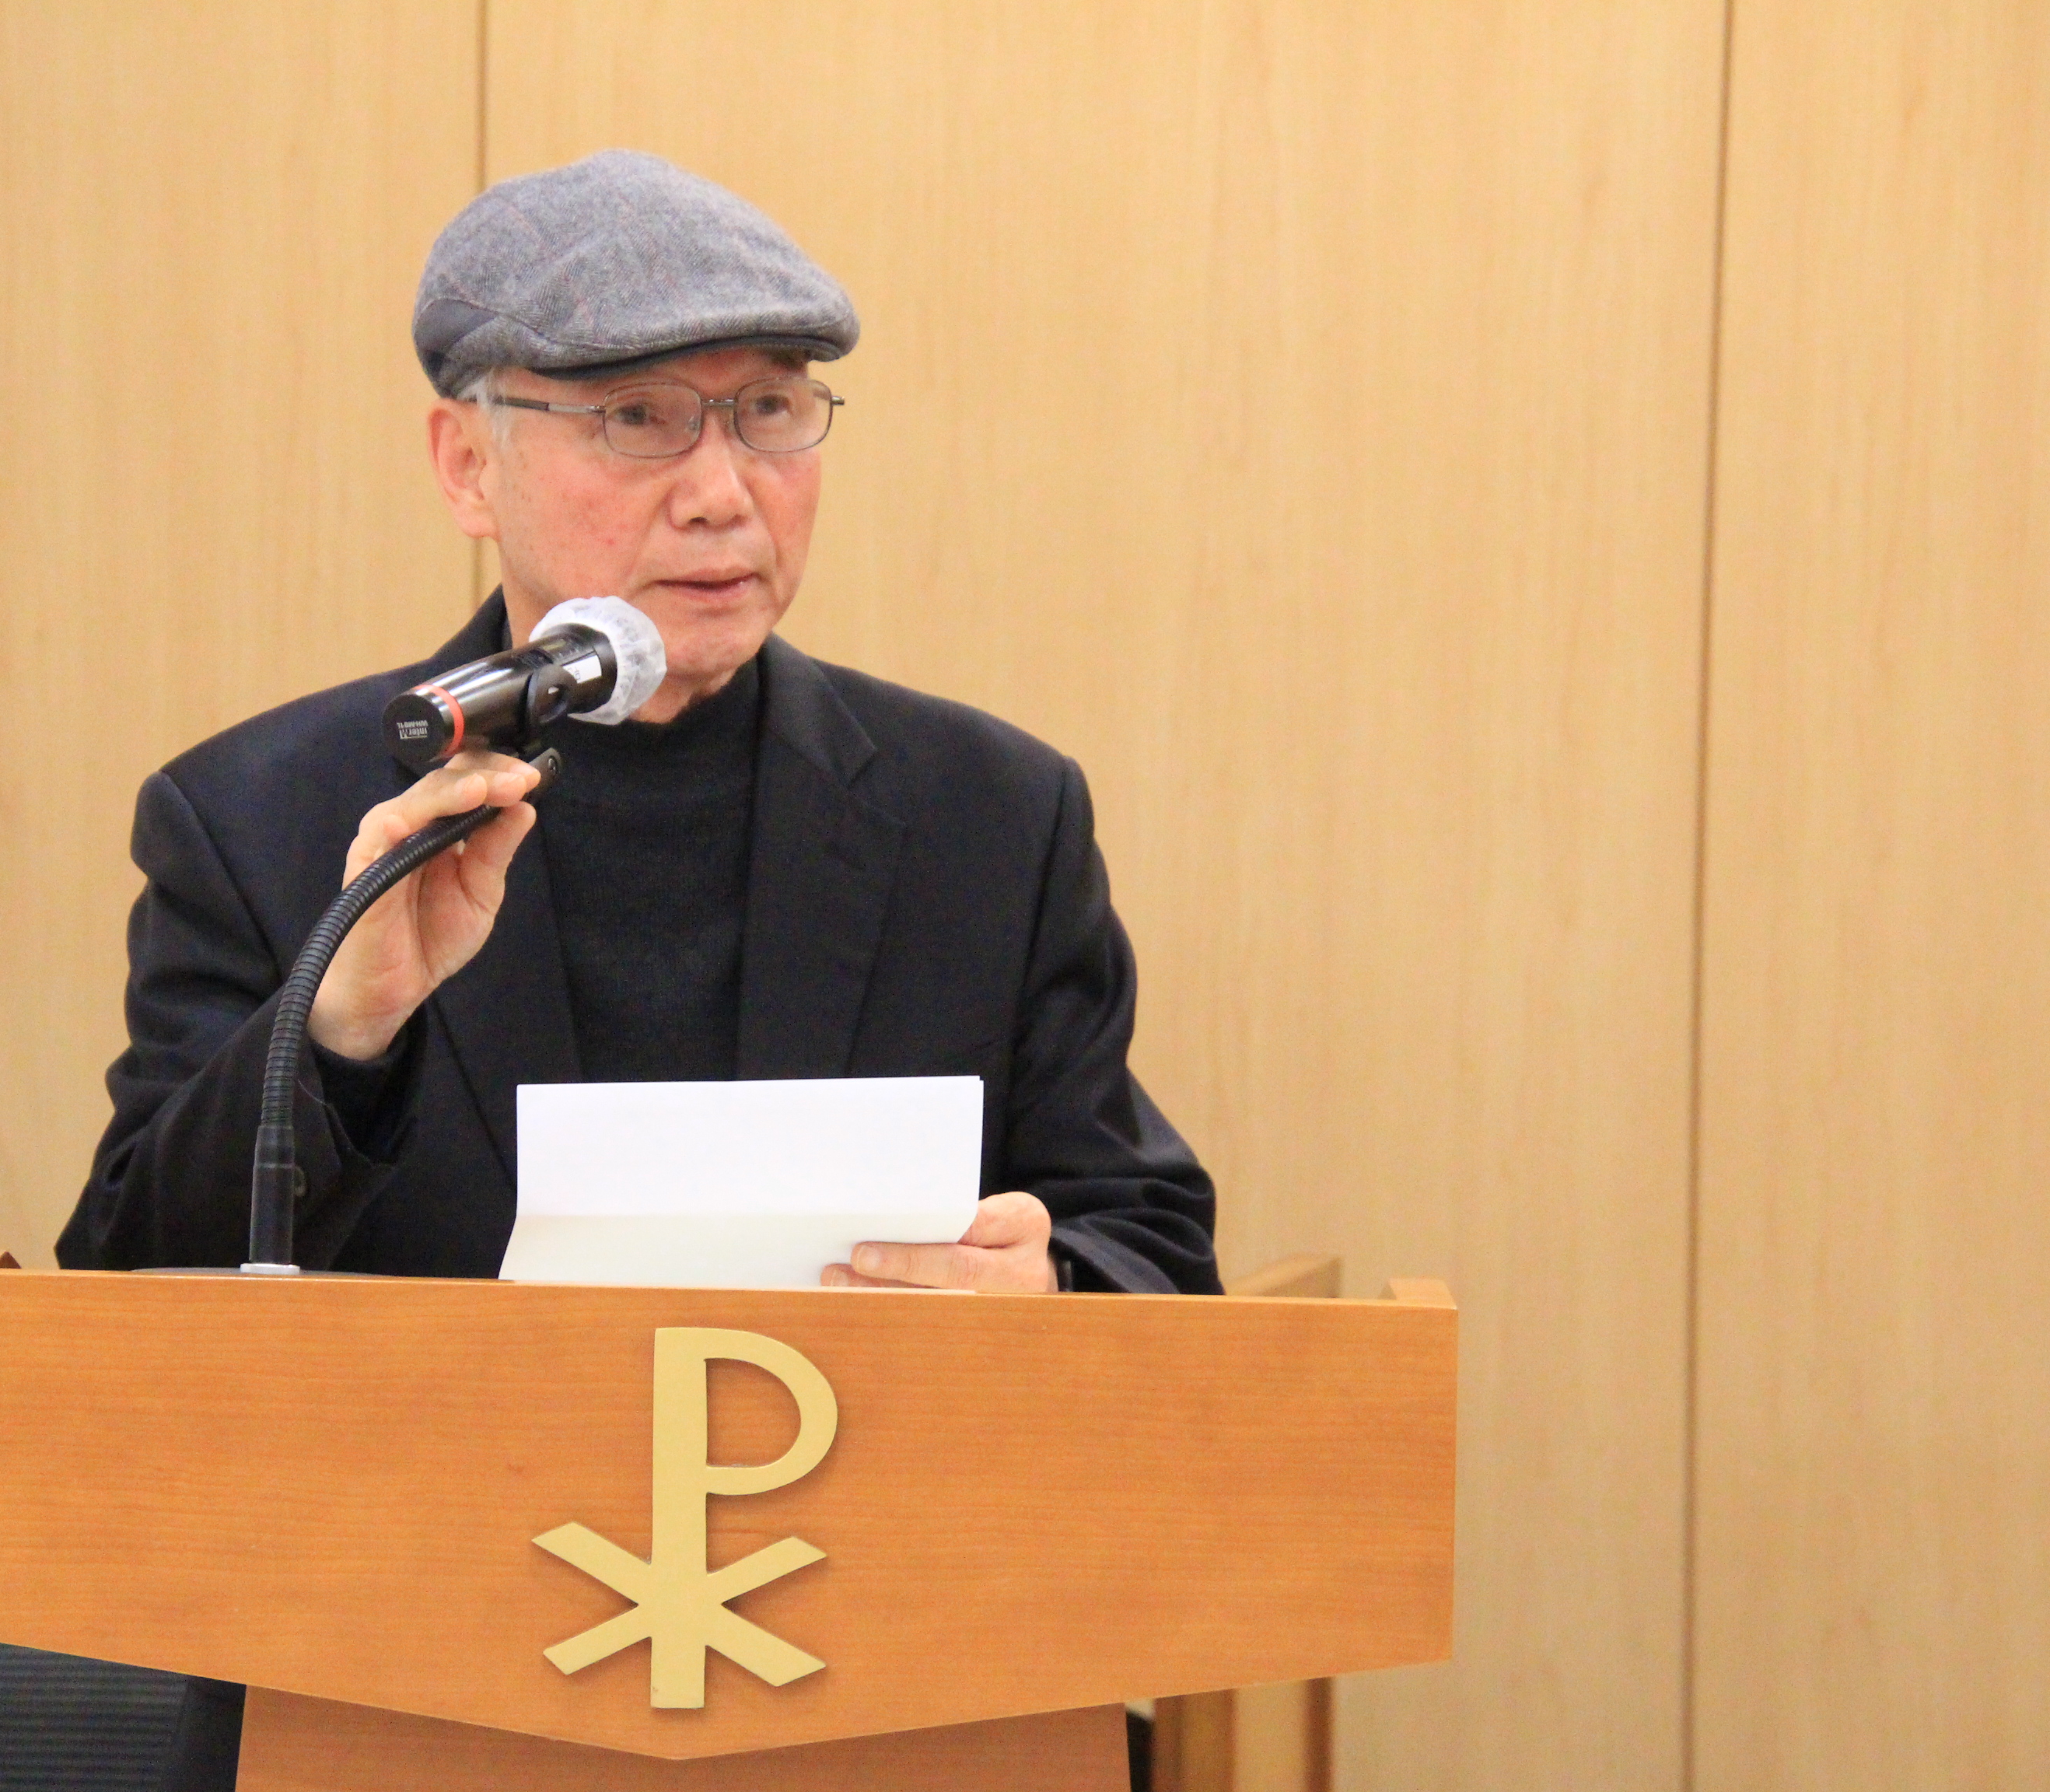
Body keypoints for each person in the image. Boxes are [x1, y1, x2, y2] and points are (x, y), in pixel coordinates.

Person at [64, 147, 1222, 1790]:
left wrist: (1051, 1291)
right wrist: (345, 1025)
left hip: (888, 1682)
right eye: (638, 420)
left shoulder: (988, 813)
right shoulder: (267, 819)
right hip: (396, 1689)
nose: (724, 490)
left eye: (771, 410)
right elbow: (127, 1310)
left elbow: (1150, 1246)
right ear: (467, 463)